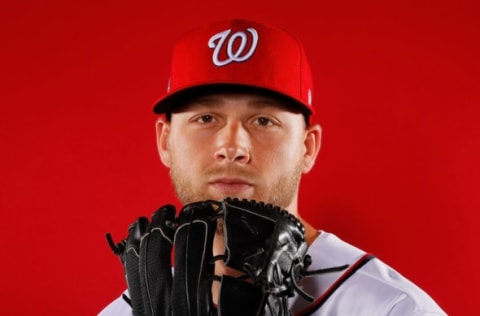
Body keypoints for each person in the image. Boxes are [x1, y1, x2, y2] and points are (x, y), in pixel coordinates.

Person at [99, 18, 446, 315]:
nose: (232, 147)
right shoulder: (126, 312)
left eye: (263, 120)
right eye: (206, 118)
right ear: (165, 142)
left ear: (308, 147)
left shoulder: (393, 309)